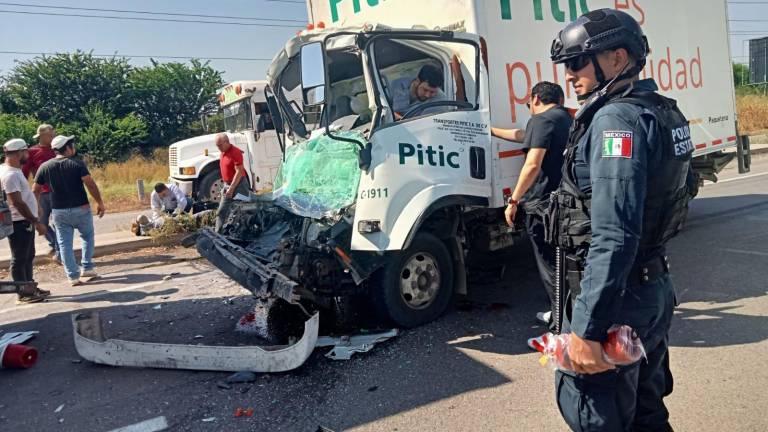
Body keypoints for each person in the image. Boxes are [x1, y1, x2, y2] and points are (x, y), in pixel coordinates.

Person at [548, 9, 693, 431]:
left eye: (577, 62)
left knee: (599, 416)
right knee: (647, 414)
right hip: (650, 291)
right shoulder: (661, 110)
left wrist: (588, 330)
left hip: (619, 302)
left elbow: (614, 234)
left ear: (616, 58)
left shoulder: (615, 120)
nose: (569, 76)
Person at [491, 81, 572, 347]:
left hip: (542, 204)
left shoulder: (540, 120)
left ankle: (560, 333)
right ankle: (561, 315)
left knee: (551, 268)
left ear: (535, 98)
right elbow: (521, 135)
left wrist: (513, 200)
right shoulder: (566, 119)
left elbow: (533, 163)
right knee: (563, 264)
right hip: (565, 202)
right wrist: (490, 130)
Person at [33, 135, 106, 286]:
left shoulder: (45, 167)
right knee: (87, 236)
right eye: (72, 144)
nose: (74, 147)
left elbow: (35, 190)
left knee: (64, 244)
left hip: (58, 211)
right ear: (67, 148)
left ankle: (72, 276)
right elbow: (90, 184)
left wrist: (38, 207)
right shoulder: (77, 164)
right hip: (81, 208)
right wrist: (99, 202)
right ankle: (87, 267)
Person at [0, 139, 50, 304]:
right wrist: (35, 220)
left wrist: (36, 207)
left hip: (22, 220)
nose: (28, 155)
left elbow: (23, 197)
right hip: (19, 222)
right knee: (20, 258)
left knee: (28, 256)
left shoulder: (10, 170)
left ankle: (30, 287)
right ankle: (23, 293)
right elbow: (17, 202)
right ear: (19, 153)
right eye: (26, 152)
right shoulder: (11, 174)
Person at [22, 124, 59, 262]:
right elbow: (24, 173)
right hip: (42, 193)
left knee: (59, 222)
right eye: (51, 135)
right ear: (42, 136)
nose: (53, 137)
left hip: (58, 192)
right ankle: (55, 243)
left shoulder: (57, 149)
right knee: (41, 221)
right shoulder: (32, 151)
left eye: (53, 134)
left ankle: (59, 249)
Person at [215, 133, 246, 232]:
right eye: (217, 146)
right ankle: (218, 234)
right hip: (228, 185)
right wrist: (225, 187)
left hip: (239, 185)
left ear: (227, 142)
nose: (218, 148)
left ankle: (242, 235)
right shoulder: (223, 152)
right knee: (221, 211)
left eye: (220, 145)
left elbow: (239, 171)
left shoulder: (235, 152)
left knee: (241, 212)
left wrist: (231, 188)